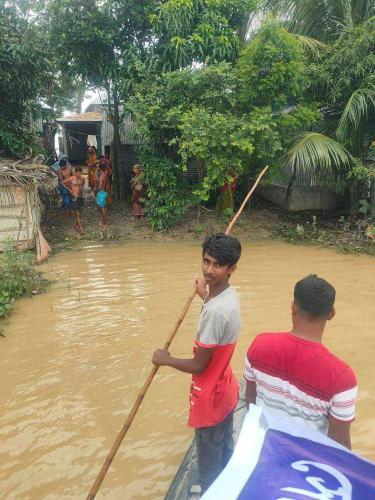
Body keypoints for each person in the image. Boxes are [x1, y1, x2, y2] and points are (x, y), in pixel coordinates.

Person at [152, 233, 242, 494]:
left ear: (231, 269)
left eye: (217, 265)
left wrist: (165, 360)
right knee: (225, 450)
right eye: (206, 262)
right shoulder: (226, 297)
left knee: (209, 470)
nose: (209, 270)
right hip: (226, 392)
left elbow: (199, 366)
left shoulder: (215, 311)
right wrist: (205, 295)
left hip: (210, 400)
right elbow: (216, 317)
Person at [244, 274, 357, 450]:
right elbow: (339, 446)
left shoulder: (259, 344)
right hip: (304, 463)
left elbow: (250, 398)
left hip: (264, 447)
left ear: (293, 308)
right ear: (331, 314)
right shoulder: (342, 377)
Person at [62, 166, 85, 235]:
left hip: (81, 197)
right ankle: (81, 229)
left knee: (80, 214)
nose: (79, 174)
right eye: (78, 173)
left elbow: (83, 185)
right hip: (74, 197)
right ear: (75, 172)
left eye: (80, 173)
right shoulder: (72, 178)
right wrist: (70, 190)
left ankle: (76, 226)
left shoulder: (82, 178)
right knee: (77, 214)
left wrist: (81, 188)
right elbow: (62, 183)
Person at [95, 161, 110, 239]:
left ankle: (103, 227)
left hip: (101, 194)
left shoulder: (101, 176)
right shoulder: (106, 174)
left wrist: (95, 189)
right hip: (105, 193)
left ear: (99, 168)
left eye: (97, 167)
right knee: (104, 212)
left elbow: (100, 187)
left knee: (101, 213)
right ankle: (107, 233)